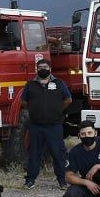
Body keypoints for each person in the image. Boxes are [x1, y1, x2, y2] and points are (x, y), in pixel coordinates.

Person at [21, 58, 72, 190]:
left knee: (58, 153)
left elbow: (68, 100)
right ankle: (30, 180)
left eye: (45, 67)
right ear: (37, 69)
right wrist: (34, 109)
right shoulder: (30, 84)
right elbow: (24, 101)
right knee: (34, 153)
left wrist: (57, 110)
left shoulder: (59, 83)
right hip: (36, 125)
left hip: (54, 125)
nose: (42, 69)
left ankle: (62, 180)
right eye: (40, 67)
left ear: (50, 68)